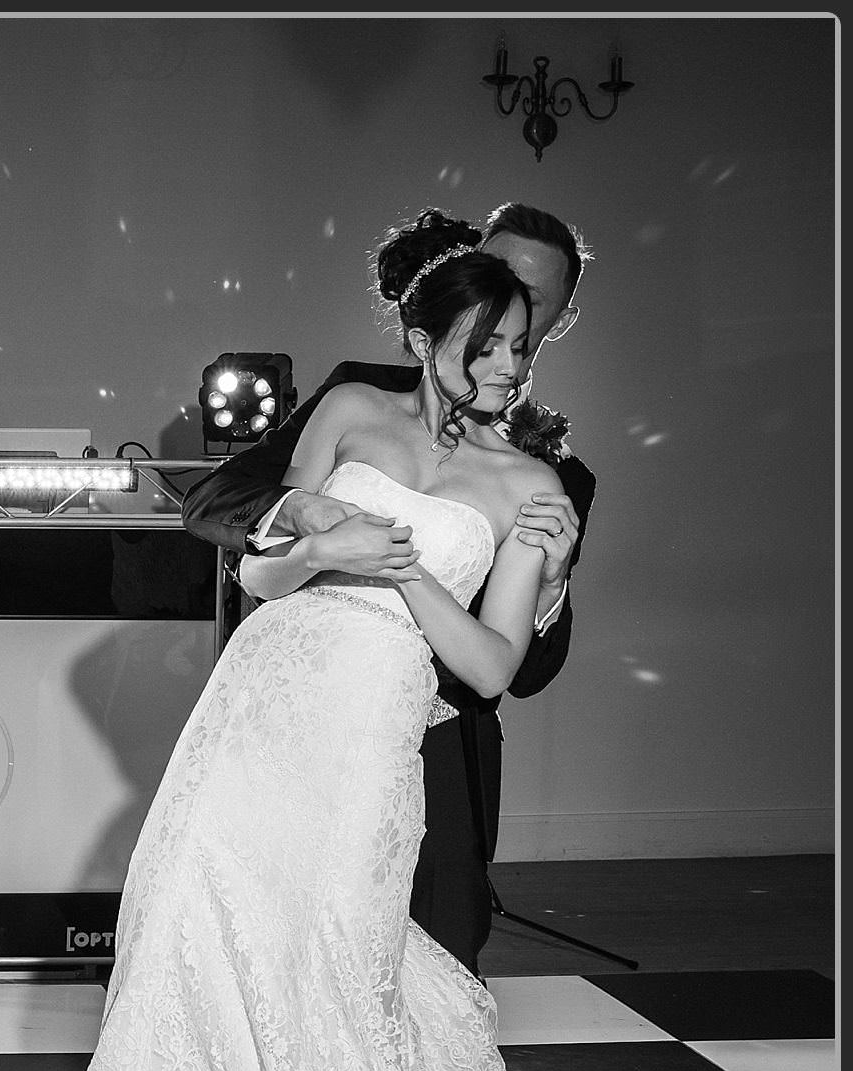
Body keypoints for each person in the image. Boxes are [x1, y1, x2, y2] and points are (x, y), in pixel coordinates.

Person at [31, 209, 600, 1071]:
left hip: (369, 728)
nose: (502, 369)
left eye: (520, 351)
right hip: (258, 699)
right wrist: (318, 550)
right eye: (484, 344)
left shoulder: (529, 484)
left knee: (335, 962)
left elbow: (490, 667)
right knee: (180, 918)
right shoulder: (346, 409)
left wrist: (402, 574)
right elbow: (263, 576)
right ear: (426, 334)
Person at [179, 203, 596, 976]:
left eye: (530, 313)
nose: (510, 342)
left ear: (557, 319)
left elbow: (515, 670)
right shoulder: (352, 400)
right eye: (496, 293)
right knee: (224, 937)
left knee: (400, 961)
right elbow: (225, 515)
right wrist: (306, 525)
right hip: (272, 699)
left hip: (421, 729)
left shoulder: (547, 480)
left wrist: (551, 579)